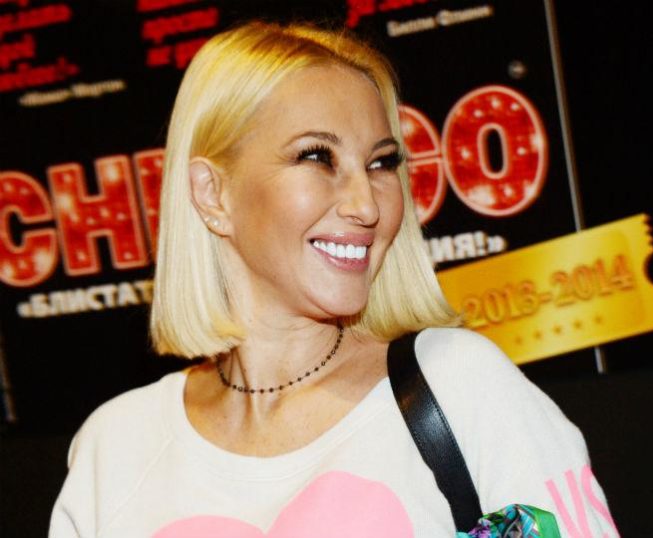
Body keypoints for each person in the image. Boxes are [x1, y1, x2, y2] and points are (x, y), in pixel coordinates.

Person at [49, 21, 618, 537]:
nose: (366, 205)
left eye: (381, 163)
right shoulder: (115, 447)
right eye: (317, 157)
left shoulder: (458, 387)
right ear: (212, 193)